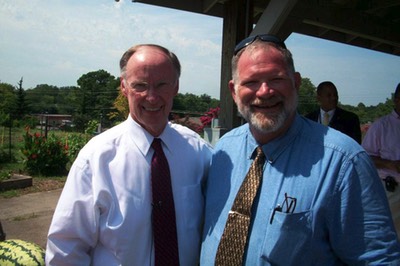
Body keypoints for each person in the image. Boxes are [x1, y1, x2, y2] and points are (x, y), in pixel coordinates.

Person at [200, 34, 400, 265]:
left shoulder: (343, 162)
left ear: (296, 82)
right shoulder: (225, 149)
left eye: (276, 79)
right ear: (234, 91)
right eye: (251, 81)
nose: (265, 91)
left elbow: (377, 260)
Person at [46, 44, 212, 265]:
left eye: (161, 85)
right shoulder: (96, 158)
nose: (151, 97)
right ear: (124, 87)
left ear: (176, 87)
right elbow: (66, 247)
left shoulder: (198, 152)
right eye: (140, 86)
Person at [362, 83, 400, 236]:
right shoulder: (381, 126)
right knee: (391, 236)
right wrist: (389, 164)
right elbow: (364, 158)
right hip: (392, 190)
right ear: (396, 100)